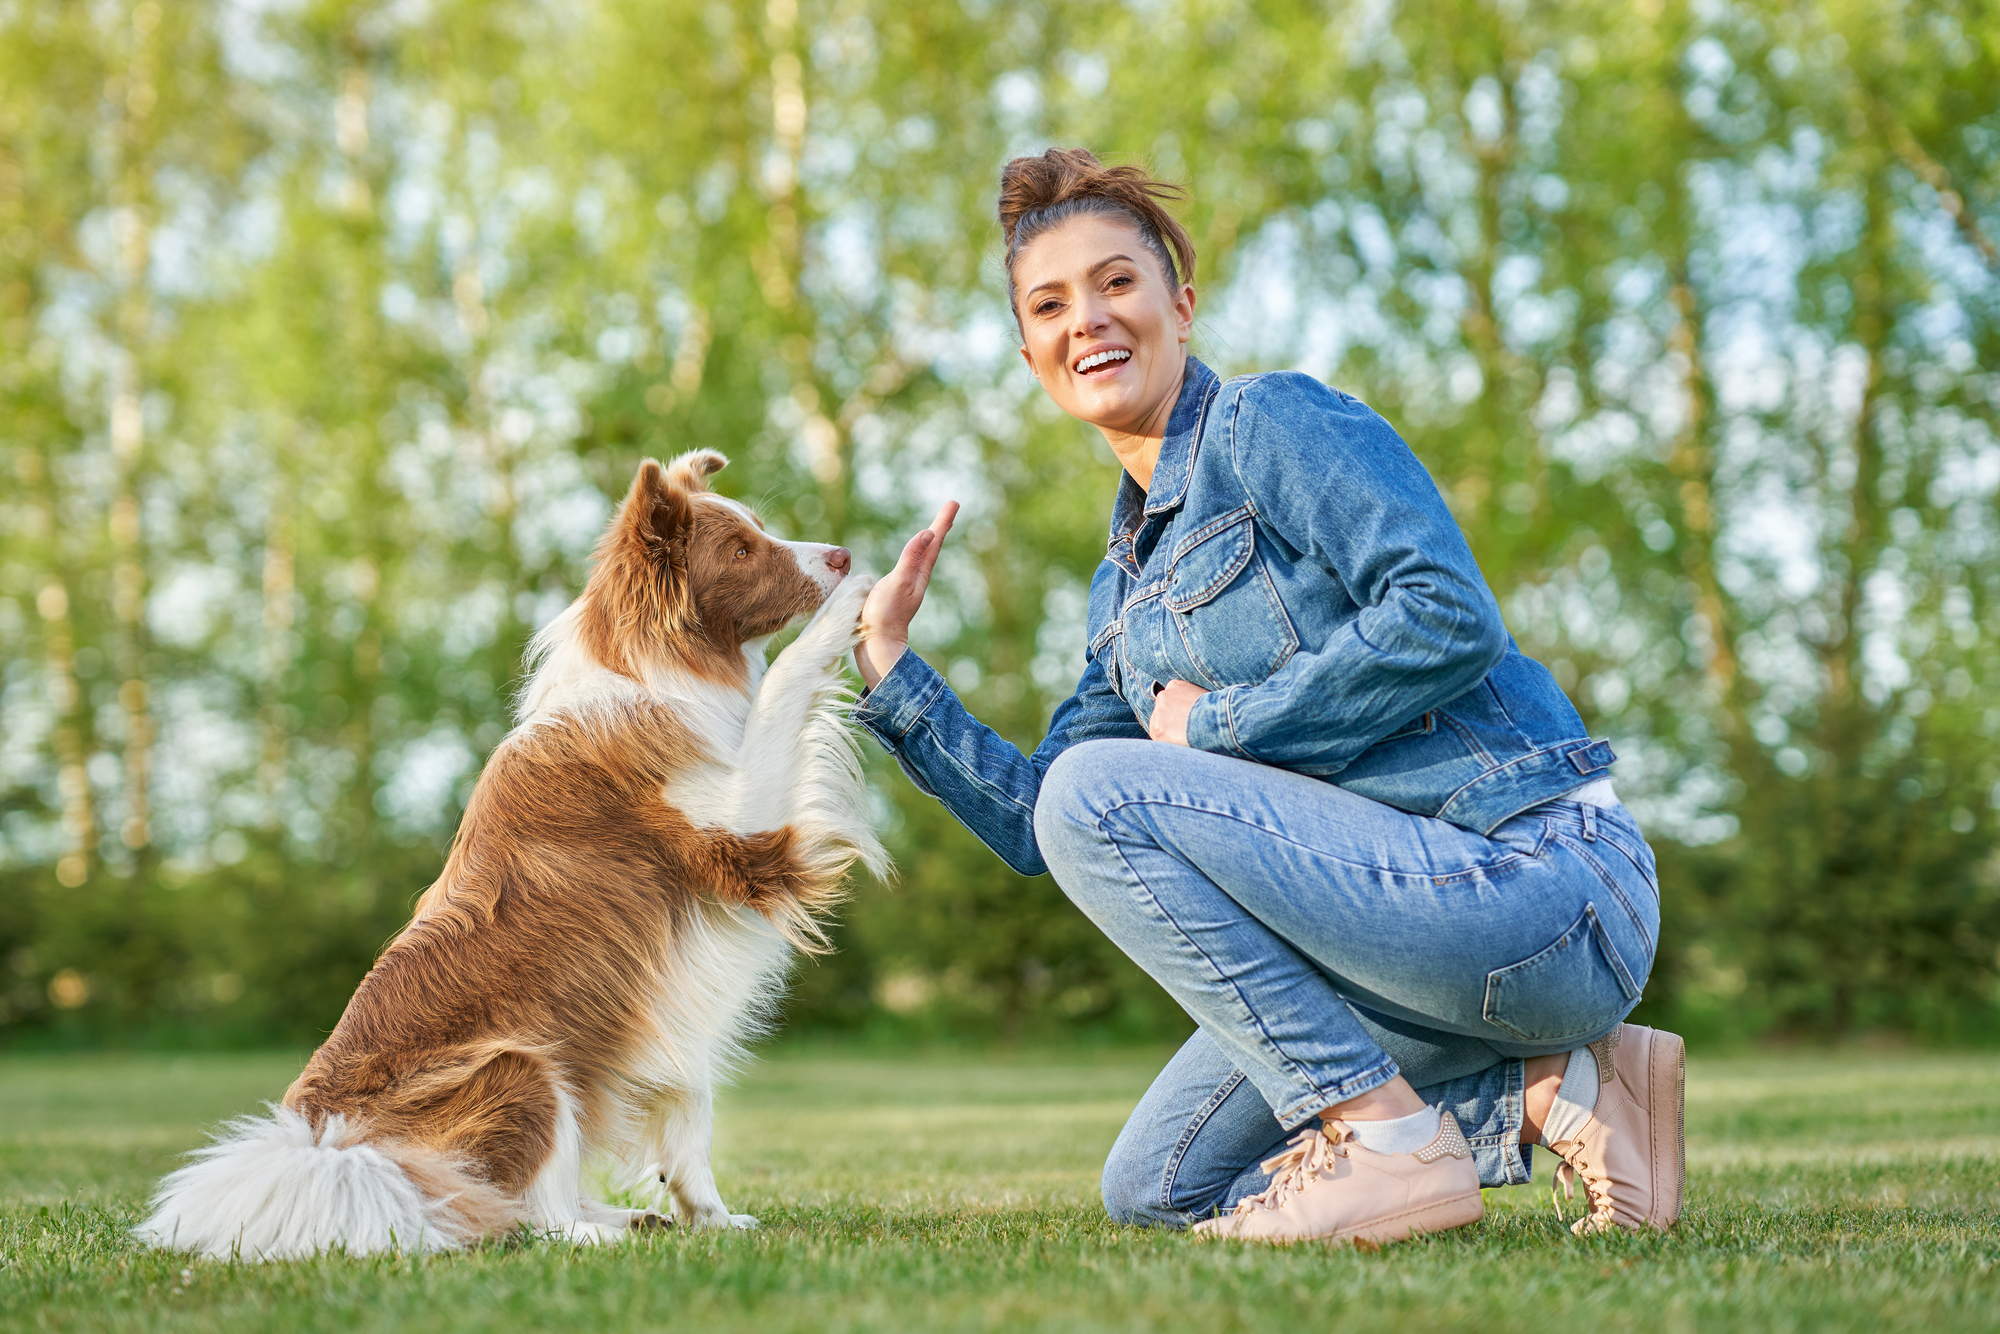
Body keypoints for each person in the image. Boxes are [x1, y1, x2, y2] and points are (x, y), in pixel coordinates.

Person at [851, 147, 1682, 1245]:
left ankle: (1386, 1140)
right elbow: (1045, 820)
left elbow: (1442, 610)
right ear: (1028, 353)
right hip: (1392, 952)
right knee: (1155, 1187)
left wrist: (1218, 725)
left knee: (1103, 788)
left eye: (1115, 282)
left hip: (1536, 879)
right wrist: (891, 670)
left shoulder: (1266, 424)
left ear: (1178, 304)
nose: (1085, 320)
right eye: (1048, 304)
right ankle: (1560, 1089)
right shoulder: (1119, 596)